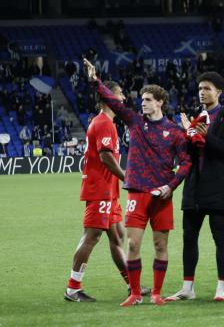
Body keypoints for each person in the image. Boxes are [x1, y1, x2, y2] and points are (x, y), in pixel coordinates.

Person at [82, 59, 192, 306]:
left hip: (162, 195)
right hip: (137, 193)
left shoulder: (174, 132)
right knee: (132, 243)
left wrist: (170, 186)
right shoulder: (135, 122)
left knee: (160, 244)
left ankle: (155, 293)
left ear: (160, 102)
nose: (143, 102)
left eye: (148, 99)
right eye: (141, 99)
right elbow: (112, 102)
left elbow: (186, 163)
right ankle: (134, 293)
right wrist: (94, 80)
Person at [64, 81, 149, 302]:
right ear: (108, 97)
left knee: (117, 236)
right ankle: (73, 289)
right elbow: (105, 157)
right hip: (100, 190)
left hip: (108, 192)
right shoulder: (104, 123)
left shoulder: (106, 123)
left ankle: (132, 285)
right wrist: (128, 178)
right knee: (91, 236)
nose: (122, 99)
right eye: (120, 95)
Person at [166, 72, 224, 302]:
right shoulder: (198, 117)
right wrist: (185, 133)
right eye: (200, 88)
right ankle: (187, 287)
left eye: (207, 88)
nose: (202, 92)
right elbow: (186, 153)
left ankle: (222, 287)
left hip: (217, 186)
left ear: (218, 92)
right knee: (189, 237)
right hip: (194, 187)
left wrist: (206, 137)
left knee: (220, 234)